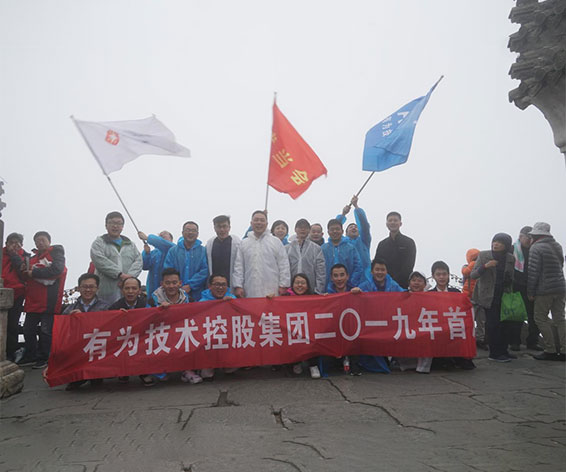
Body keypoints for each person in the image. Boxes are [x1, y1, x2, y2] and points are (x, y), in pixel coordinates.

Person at [18, 231, 67, 369]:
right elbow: (25, 277)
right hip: (32, 300)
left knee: (46, 331)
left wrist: (33, 272)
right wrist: (23, 270)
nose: (39, 243)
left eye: (42, 240)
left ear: (49, 241)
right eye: (37, 241)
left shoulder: (56, 254)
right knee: (28, 329)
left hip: (49, 300)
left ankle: (44, 357)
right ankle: (31, 355)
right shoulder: (32, 258)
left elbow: (57, 270)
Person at [148, 268, 196, 386]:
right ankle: (161, 371)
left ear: (180, 283)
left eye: (174, 283)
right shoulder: (152, 300)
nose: (171, 286)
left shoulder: (189, 299)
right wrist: (158, 311)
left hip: (182, 333)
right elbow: (146, 320)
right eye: (167, 283)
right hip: (161, 334)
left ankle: (187, 370)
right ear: (162, 284)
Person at [471, 233, 515, 363]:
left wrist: (509, 281)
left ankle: (503, 351)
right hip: (488, 296)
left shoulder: (510, 258)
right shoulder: (484, 255)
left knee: (505, 324)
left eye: (500, 242)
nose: (495, 244)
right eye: (494, 241)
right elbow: (473, 275)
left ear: (506, 245)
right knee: (493, 324)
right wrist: (485, 266)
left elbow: (512, 276)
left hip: (504, 295)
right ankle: (494, 353)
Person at [63, 274, 110, 390]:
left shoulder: (105, 307)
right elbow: (63, 329)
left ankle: (96, 374)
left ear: (97, 288)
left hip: (98, 345)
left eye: (91, 287)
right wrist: (70, 319)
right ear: (79, 288)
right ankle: (78, 377)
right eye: (84, 287)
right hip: (79, 346)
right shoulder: (70, 309)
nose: (88, 290)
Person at [527, 222, 565, 361]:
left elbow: (533, 271)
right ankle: (564, 350)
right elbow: (561, 264)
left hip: (544, 289)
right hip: (560, 286)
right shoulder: (557, 245)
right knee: (560, 318)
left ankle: (550, 349)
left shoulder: (536, 247)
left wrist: (530, 292)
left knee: (540, 318)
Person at [428, 261, 475, 370]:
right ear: (433, 276)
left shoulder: (456, 293)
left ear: (448, 275)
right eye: (438, 274)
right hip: (437, 326)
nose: (441, 277)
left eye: (444, 274)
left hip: (453, 325)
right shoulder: (429, 294)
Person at [233, 210, 290, 298]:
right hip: (250, 290)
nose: (259, 222)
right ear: (251, 223)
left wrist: (283, 285)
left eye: (262, 220)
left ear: (267, 224)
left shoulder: (276, 242)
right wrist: (238, 286)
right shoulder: (244, 243)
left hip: (272, 291)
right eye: (256, 220)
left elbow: (284, 265)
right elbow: (239, 266)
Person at [90, 211, 143, 304]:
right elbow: (100, 261)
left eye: (119, 223)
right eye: (112, 223)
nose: (115, 226)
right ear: (106, 225)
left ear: (122, 226)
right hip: (106, 291)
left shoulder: (130, 245)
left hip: (127, 292)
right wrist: (119, 274)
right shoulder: (99, 243)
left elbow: (138, 261)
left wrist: (129, 277)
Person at [325, 264, 362, 375]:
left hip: (351, 331)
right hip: (334, 332)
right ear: (331, 278)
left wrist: (360, 294)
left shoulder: (354, 291)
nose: (339, 279)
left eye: (342, 275)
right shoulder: (327, 293)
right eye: (336, 276)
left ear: (347, 276)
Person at [199, 274, 237, 380]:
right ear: (210, 286)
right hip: (209, 337)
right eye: (217, 284)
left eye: (223, 285)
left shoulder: (232, 299)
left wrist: (231, 304)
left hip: (227, 335)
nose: (220, 287)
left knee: (231, 369)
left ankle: (228, 365)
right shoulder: (202, 302)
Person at [283, 273, 321, 379]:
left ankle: (313, 365)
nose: (300, 285)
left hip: (309, 329)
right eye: (297, 283)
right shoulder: (285, 297)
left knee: (313, 341)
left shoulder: (313, 296)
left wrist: (327, 297)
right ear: (292, 285)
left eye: (303, 283)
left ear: (307, 286)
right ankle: (296, 363)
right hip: (293, 330)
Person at [396, 271, 433, 373]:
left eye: (419, 281)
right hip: (407, 326)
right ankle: (407, 364)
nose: (416, 283)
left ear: (425, 284)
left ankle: (423, 367)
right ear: (409, 283)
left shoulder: (430, 297)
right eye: (413, 280)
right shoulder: (403, 296)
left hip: (424, 326)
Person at [163, 221, 208, 301]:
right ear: (182, 233)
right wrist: (177, 285)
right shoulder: (173, 251)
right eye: (188, 230)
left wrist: (190, 285)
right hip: (176, 294)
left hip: (198, 295)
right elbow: (168, 270)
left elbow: (205, 271)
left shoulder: (203, 251)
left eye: (193, 230)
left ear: (197, 234)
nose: (190, 232)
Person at [512, 226, 541, 351]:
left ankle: (533, 341)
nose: (529, 240)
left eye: (531, 238)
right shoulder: (512, 249)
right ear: (520, 236)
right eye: (527, 237)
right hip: (516, 287)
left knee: (534, 316)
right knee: (516, 315)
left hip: (533, 287)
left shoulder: (535, 250)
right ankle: (514, 342)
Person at [2, 232, 28, 362]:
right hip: (2, 290)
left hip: (16, 294)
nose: (14, 245)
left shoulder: (25, 257)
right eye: (11, 242)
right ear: (6, 243)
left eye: (17, 243)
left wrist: (14, 255)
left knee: (12, 324)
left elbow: (23, 273)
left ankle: (10, 352)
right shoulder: (1, 254)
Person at [374, 211, 416, 289]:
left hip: (403, 285)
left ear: (400, 223)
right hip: (384, 284)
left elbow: (409, 265)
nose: (393, 222)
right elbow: (377, 264)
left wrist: (395, 282)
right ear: (387, 224)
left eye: (395, 220)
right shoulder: (382, 244)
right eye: (390, 220)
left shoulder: (409, 242)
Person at [336, 195, 372, 282]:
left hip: (365, 281)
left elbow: (364, 225)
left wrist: (356, 206)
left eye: (355, 227)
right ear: (345, 232)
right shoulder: (341, 243)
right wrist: (343, 214)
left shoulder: (364, 241)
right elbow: (334, 229)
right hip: (345, 281)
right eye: (350, 227)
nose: (353, 228)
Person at [286, 219, 326, 294]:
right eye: (300, 227)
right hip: (291, 291)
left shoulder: (316, 249)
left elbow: (321, 271)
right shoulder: (287, 248)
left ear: (309, 230)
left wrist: (318, 290)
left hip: (311, 290)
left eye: (305, 227)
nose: (303, 229)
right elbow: (284, 269)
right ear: (295, 229)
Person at [321, 219, 363, 289]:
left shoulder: (351, 248)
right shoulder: (323, 249)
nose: (335, 231)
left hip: (347, 289)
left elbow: (358, 267)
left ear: (342, 231)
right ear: (328, 232)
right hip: (327, 290)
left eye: (337, 229)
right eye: (332, 229)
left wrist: (351, 284)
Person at [205, 215, 242, 289]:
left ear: (229, 227)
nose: (222, 230)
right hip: (214, 286)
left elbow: (239, 266)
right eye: (219, 227)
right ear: (214, 228)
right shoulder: (210, 244)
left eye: (224, 226)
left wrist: (238, 285)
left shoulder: (237, 243)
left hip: (231, 285)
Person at [138, 230, 175, 300]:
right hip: (152, 289)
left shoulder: (173, 250)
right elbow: (145, 266)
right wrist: (146, 254)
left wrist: (148, 238)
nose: (162, 235)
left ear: (171, 239)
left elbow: (164, 244)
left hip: (168, 289)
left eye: (165, 234)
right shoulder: (154, 253)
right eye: (160, 235)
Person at [461, 249, 486, 349]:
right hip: (480, 296)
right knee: (481, 320)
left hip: (470, 295)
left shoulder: (470, 265)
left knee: (470, 319)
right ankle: (480, 339)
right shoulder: (482, 265)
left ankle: (469, 338)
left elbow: (465, 272)